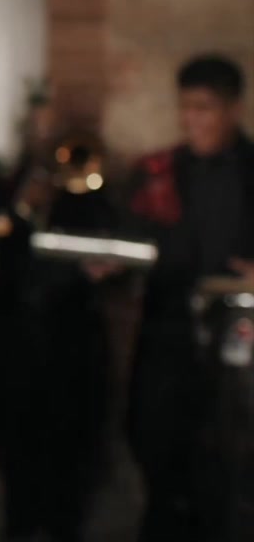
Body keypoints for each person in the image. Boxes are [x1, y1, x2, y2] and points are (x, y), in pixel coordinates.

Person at [125, 53, 254, 542]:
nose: (190, 120)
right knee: (159, 454)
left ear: (233, 109)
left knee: (229, 470)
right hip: (168, 337)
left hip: (238, 344)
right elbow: (134, 239)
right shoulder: (159, 171)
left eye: (204, 108)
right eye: (185, 107)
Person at [0, 99, 117, 542]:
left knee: (72, 453)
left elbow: (109, 237)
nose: (48, 141)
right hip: (17, 344)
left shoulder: (88, 189)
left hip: (73, 342)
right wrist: (24, 207)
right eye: (39, 131)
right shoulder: (4, 188)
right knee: (19, 456)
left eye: (54, 131)